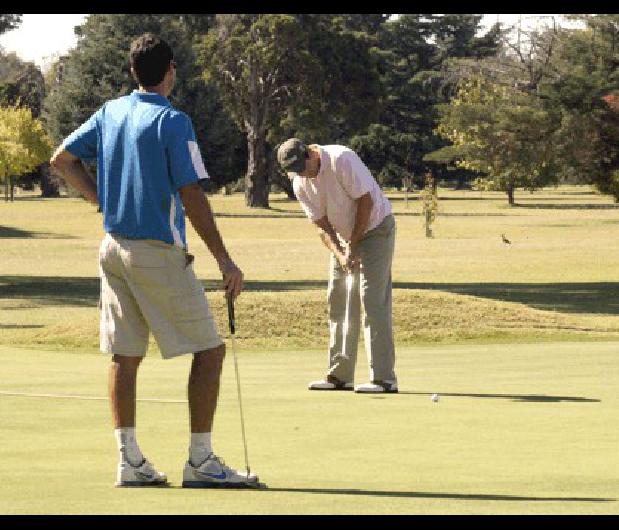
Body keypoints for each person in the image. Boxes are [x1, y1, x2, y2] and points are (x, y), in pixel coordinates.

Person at [50, 33, 259, 488]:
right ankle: (201, 461)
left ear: (132, 72)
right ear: (170, 72)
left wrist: (99, 199)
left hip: (112, 248)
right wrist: (225, 259)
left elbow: (62, 159)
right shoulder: (173, 121)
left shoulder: (111, 112)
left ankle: (130, 460)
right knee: (210, 350)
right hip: (155, 252)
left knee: (125, 356)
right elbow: (191, 193)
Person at [277, 138, 398, 394]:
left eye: (303, 166)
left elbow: (366, 202)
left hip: (376, 229)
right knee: (339, 298)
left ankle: (384, 379)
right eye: (296, 170)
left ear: (310, 152)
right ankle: (340, 375)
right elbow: (321, 225)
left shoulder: (340, 159)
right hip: (344, 237)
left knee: (372, 299)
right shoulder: (300, 183)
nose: (302, 173)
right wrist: (341, 253)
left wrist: (354, 246)